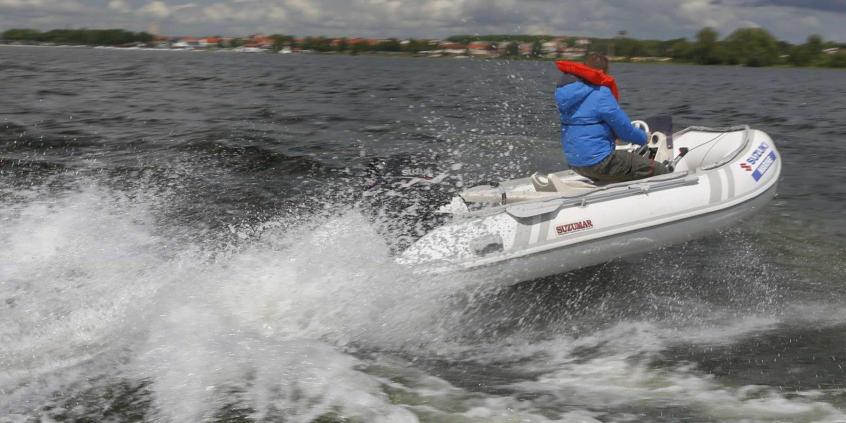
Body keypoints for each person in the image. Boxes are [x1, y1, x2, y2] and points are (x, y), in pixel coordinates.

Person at [554, 53, 668, 183]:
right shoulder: (601, 93)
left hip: (575, 163)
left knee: (624, 165)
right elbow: (624, 129)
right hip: (599, 163)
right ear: (603, 72)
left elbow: (587, 122)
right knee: (659, 170)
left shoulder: (565, 94)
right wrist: (643, 137)